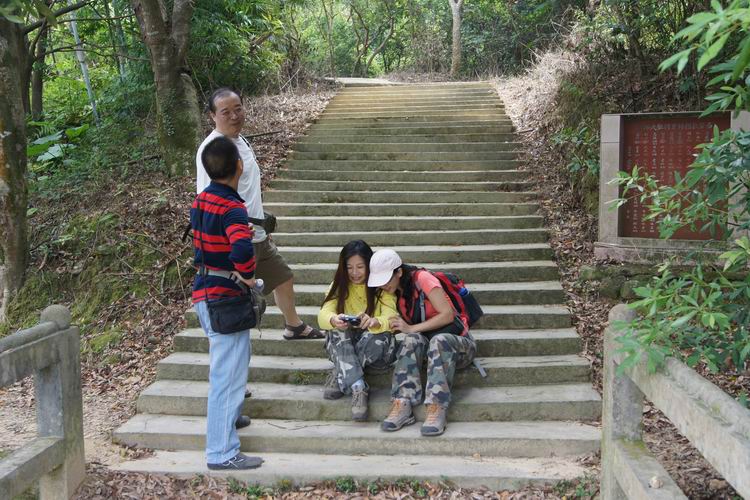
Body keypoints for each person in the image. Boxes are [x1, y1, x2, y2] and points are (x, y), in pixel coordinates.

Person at [196, 87, 323, 340]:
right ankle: (232, 342)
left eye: (238, 109)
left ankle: (293, 325)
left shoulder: (240, 141)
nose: (234, 116)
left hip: (257, 232)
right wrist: (228, 237)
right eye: (225, 112)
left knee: (283, 277)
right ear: (212, 115)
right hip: (237, 235)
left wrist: (263, 227)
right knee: (238, 296)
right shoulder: (212, 149)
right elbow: (206, 198)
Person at [191, 136, 263, 470]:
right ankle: (221, 452)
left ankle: (230, 418)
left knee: (233, 366)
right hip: (225, 298)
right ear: (239, 166)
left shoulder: (201, 200)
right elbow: (242, 250)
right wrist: (248, 276)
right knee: (227, 375)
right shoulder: (233, 207)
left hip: (205, 292)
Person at [368, 249, 476, 437]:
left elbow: (447, 315)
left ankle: (437, 406)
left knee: (438, 340)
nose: (383, 285)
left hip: (458, 346)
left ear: (399, 272)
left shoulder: (423, 279)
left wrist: (411, 328)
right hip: (429, 348)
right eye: (380, 281)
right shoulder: (396, 292)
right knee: (411, 339)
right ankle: (403, 402)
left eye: (386, 279)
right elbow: (407, 329)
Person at [317, 240, 399, 421]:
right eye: (349, 267)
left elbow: (392, 317)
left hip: (376, 349)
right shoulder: (339, 285)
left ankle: (340, 371)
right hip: (347, 341)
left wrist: (375, 322)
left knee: (378, 335)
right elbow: (323, 314)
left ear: (369, 265)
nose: (355, 273)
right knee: (335, 330)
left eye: (360, 267)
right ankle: (358, 387)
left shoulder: (381, 285)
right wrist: (333, 319)